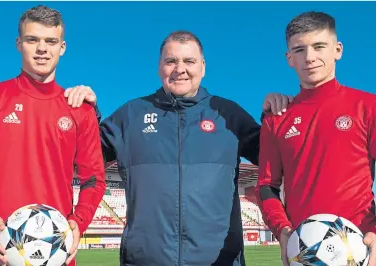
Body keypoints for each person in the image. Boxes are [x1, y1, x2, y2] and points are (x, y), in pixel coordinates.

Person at [64, 30, 291, 265]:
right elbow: (78, 157)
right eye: (171, 61)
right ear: (159, 67)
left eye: (189, 61)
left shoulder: (229, 115)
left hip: (220, 260)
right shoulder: (129, 116)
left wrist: (277, 117)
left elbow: (282, 162)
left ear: (202, 67)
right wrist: (86, 114)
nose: (180, 69)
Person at [0, 5, 106, 266]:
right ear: (19, 43)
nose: (42, 48)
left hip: (55, 255)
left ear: (62, 47)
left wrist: (79, 222)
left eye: (50, 41)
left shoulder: (80, 110)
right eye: (32, 39)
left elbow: (94, 179)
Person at [256, 11, 376, 266]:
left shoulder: (369, 106)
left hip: (364, 252)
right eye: (299, 50)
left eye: (319, 46)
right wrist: (283, 230)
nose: (309, 57)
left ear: (337, 50)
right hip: (304, 255)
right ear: (289, 58)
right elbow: (267, 186)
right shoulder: (276, 119)